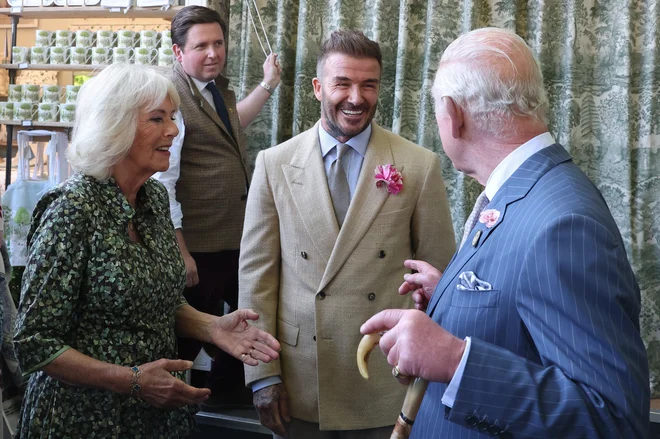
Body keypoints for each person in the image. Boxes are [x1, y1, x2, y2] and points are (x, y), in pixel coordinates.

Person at [361, 27, 650, 438]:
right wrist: (455, 298)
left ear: (454, 115)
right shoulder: (524, 189)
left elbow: (612, 420)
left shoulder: (564, 224)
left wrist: (455, 360)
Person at [13, 63, 280, 439]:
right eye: (158, 118)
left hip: (156, 418)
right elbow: (34, 341)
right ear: (114, 126)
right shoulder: (71, 208)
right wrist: (132, 380)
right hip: (83, 419)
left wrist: (211, 327)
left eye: (173, 117)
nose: (173, 130)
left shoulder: (153, 197)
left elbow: (155, 299)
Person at [239, 29, 455, 438]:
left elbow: (438, 278)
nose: (356, 98)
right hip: (300, 379)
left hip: (385, 376)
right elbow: (256, 279)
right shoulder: (274, 164)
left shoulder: (418, 165)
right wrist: (262, 375)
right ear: (318, 88)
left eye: (368, 85)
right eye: (343, 84)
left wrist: (430, 372)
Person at [155, 5, 282, 409]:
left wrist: (267, 85)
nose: (213, 53)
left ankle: (224, 395)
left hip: (233, 236)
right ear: (178, 52)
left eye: (218, 43)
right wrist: (181, 250)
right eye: (201, 46)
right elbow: (164, 184)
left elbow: (229, 127)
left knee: (246, 315)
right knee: (190, 333)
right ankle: (160, 407)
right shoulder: (172, 99)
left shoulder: (213, 88)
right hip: (199, 244)